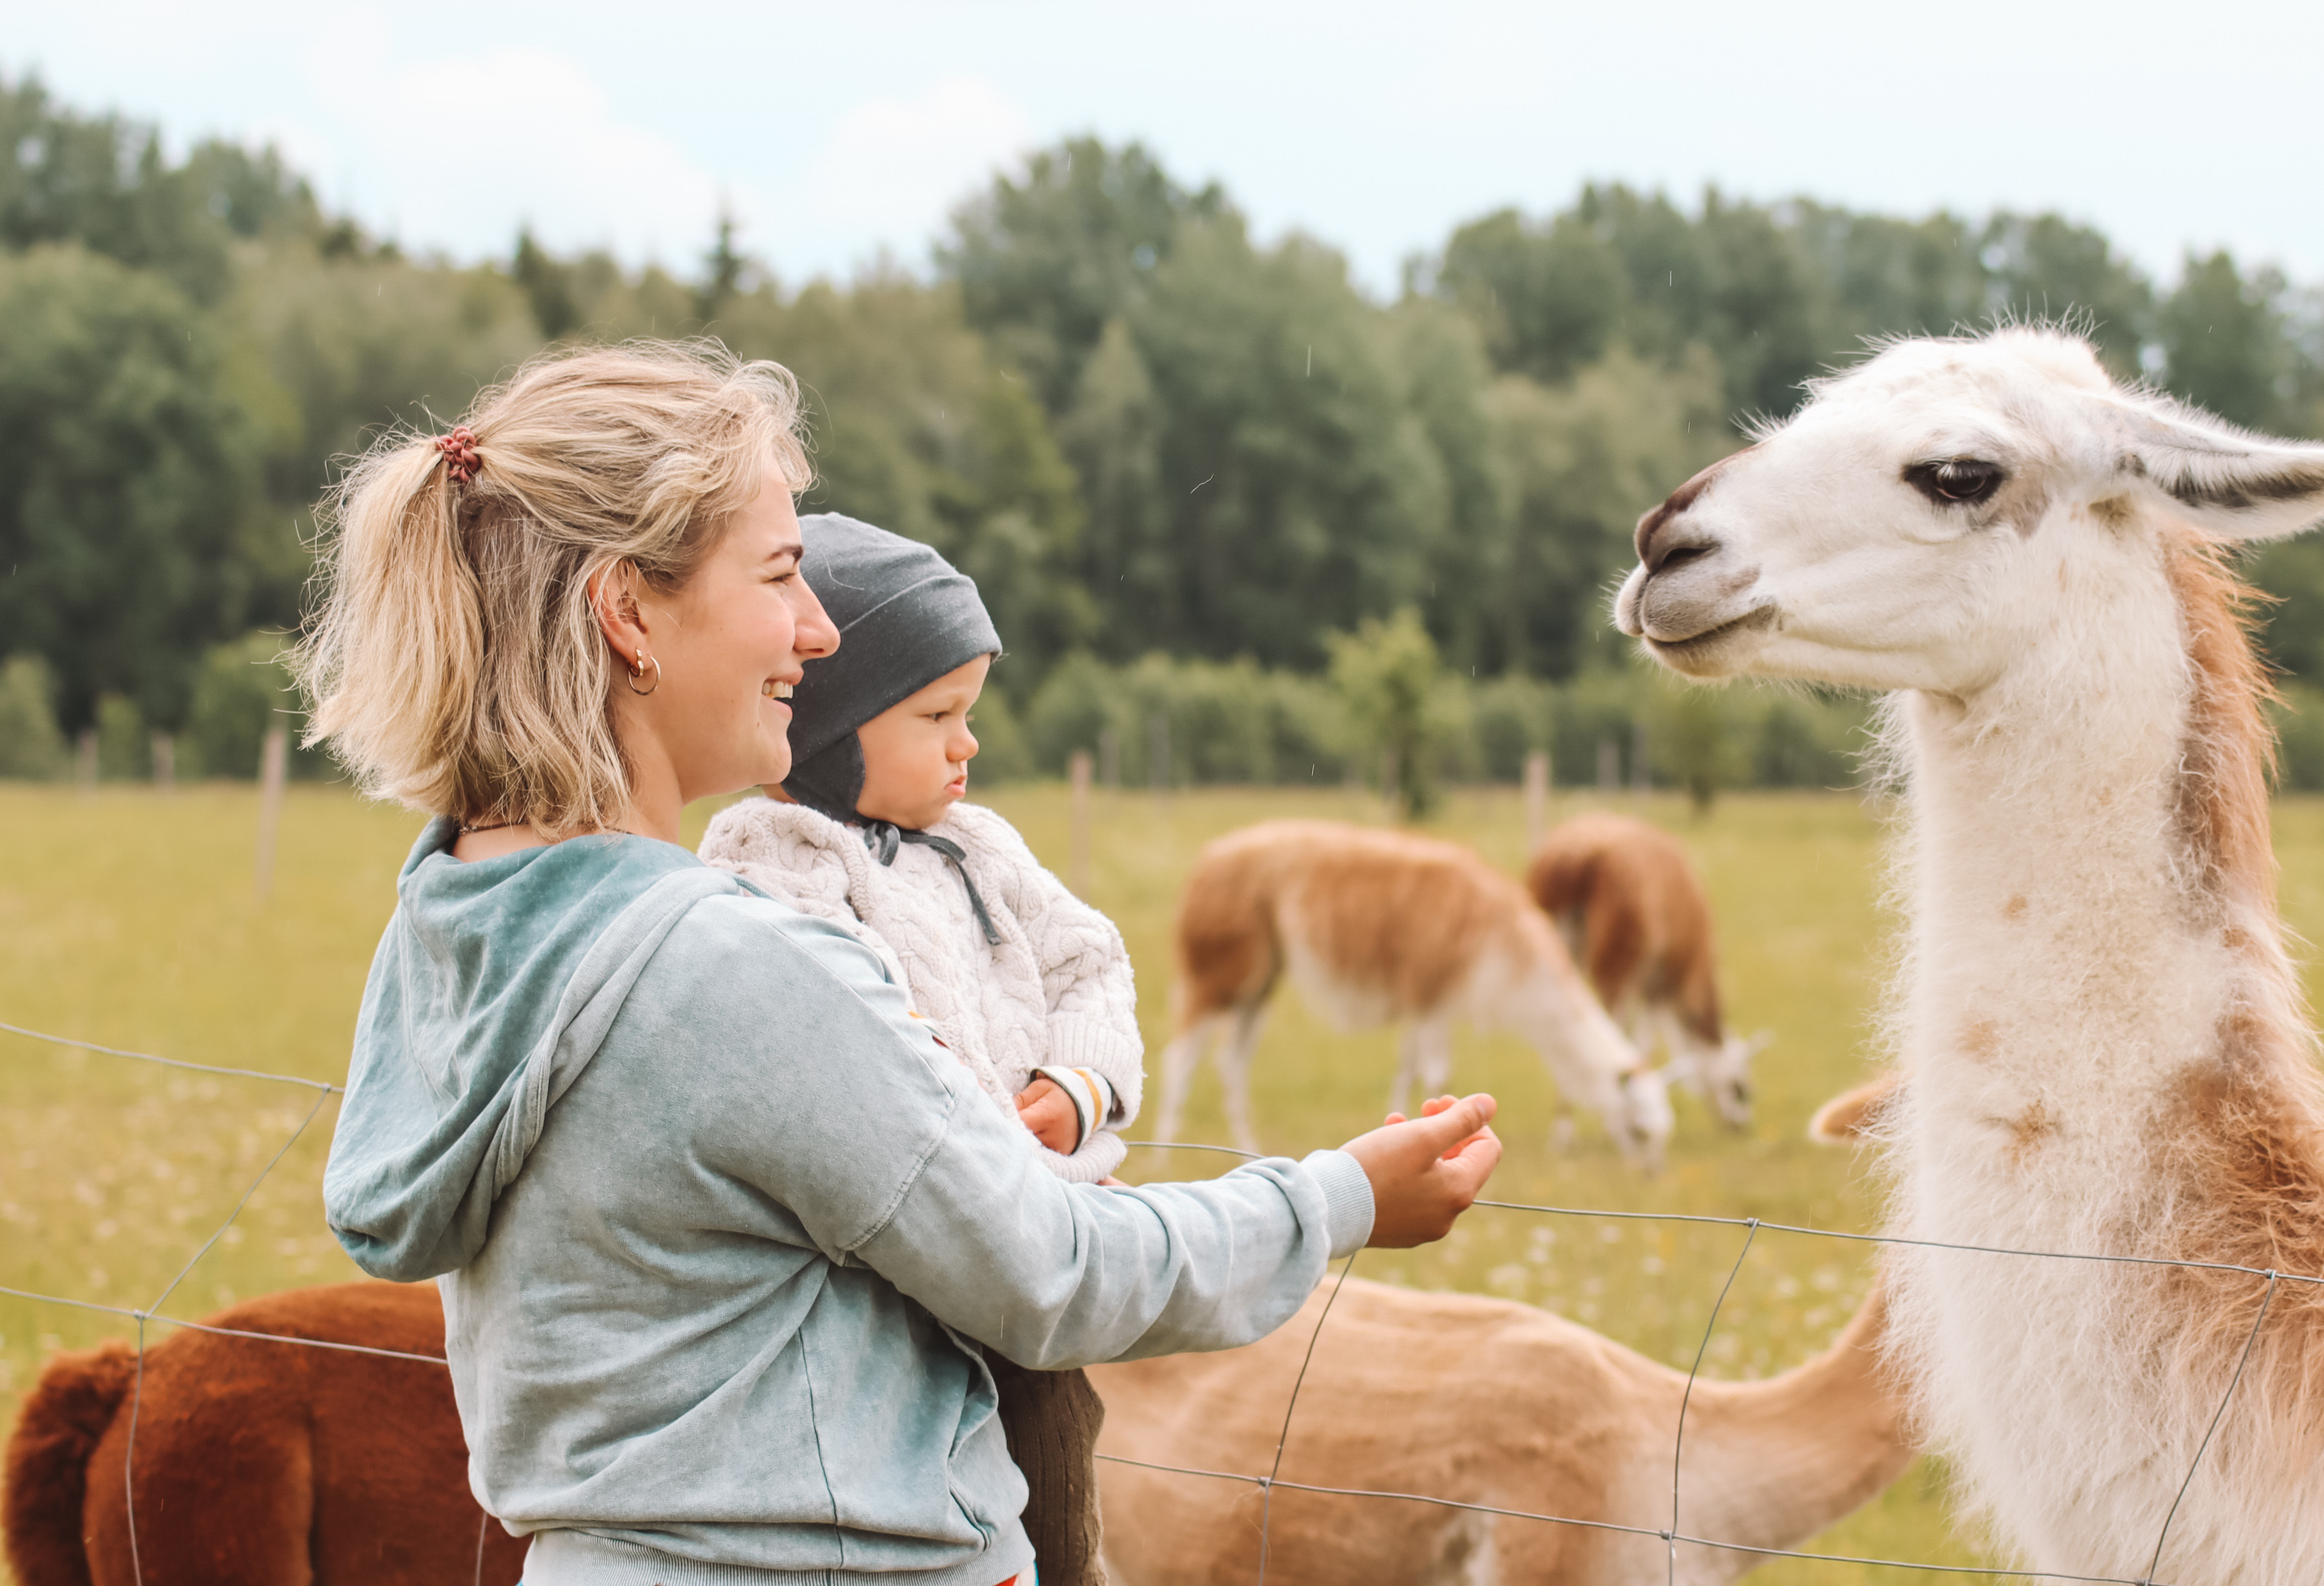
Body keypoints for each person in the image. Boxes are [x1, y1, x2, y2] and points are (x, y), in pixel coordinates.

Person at [298, 341, 1501, 1586]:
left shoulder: (453, 918)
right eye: (780, 576)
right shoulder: (733, 971)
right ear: (628, 614)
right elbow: (1054, 1271)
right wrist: (1345, 1198)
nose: (818, 633)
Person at [698, 515, 1141, 1583]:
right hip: (904, 1259)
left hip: (1041, 1240)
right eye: (937, 713)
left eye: (971, 713)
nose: (968, 744)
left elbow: (1091, 962)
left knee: (1054, 1465)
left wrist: (1080, 1082)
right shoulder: (780, 863)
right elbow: (856, 1045)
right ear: (829, 727)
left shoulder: (984, 848)